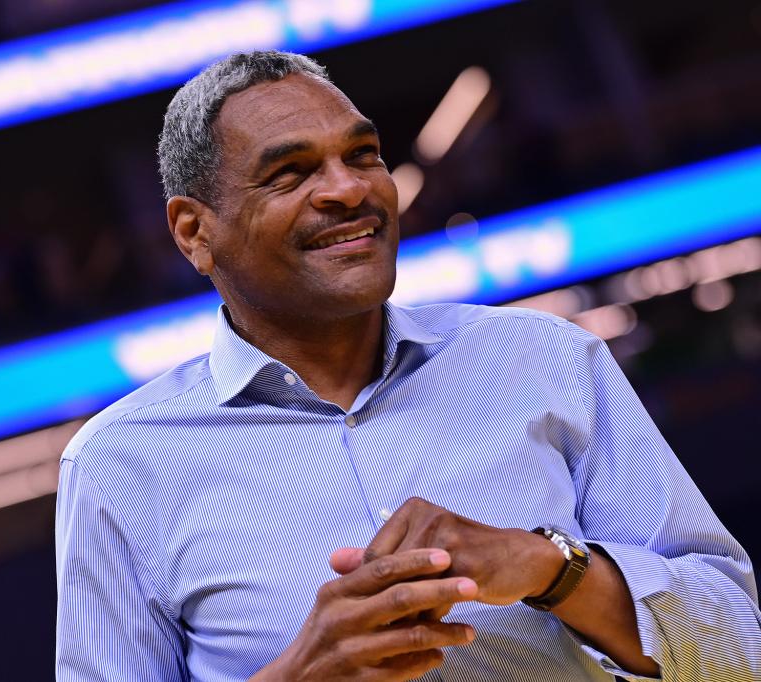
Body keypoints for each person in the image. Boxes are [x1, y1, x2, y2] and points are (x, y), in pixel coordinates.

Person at [55, 51, 760, 681]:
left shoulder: (546, 358)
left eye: (362, 155)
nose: (349, 189)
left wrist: (551, 567)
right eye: (291, 172)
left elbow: (740, 649)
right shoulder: (118, 467)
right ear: (194, 232)